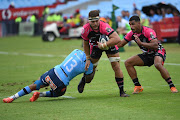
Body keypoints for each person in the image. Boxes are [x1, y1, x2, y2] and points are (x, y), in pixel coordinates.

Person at [3, 49, 94, 103]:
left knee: (35, 85)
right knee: (61, 92)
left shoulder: (76, 51)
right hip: (61, 82)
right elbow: (88, 78)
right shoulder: (89, 65)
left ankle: (12, 97)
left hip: (53, 72)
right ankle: (41, 94)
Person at [117, 15, 178, 94]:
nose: (131, 27)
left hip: (158, 51)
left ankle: (172, 86)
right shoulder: (131, 33)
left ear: (139, 23)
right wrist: (107, 44)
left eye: (133, 24)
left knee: (157, 64)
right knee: (128, 63)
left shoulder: (148, 31)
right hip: (148, 54)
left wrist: (141, 43)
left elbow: (155, 45)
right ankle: (138, 86)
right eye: (130, 24)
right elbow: (121, 44)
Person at [79, 10, 129, 97]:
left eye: (96, 21)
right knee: (91, 71)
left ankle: (122, 91)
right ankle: (84, 79)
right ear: (88, 21)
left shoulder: (104, 26)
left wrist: (105, 44)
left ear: (99, 19)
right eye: (92, 22)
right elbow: (85, 43)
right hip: (95, 46)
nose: (94, 24)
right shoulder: (85, 29)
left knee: (116, 66)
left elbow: (117, 39)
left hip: (109, 44)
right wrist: (87, 58)